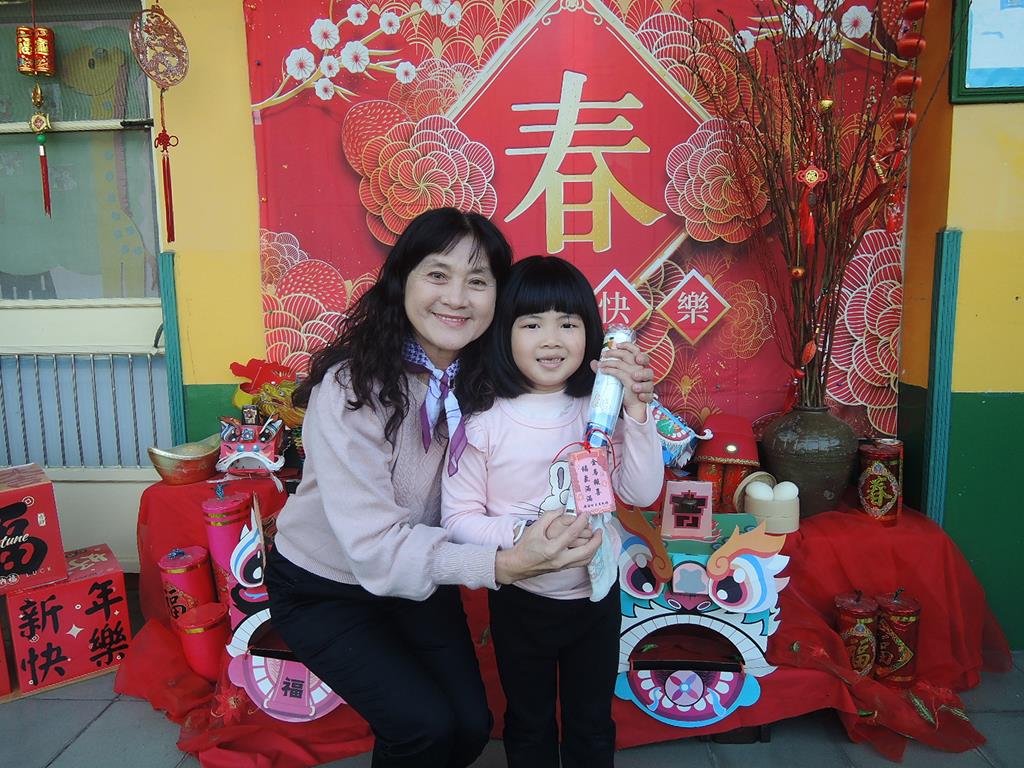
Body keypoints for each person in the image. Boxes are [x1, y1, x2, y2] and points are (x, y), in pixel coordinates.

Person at [264, 209, 655, 768]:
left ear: (498, 298)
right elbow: (375, 548)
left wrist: (627, 399)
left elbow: (612, 458)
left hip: (420, 578)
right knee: (421, 728)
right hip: (327, 585)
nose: (456, 297)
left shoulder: (487, 376)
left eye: (477, 280)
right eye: (437, 274)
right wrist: (507, 563)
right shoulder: (351, 389)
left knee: (471, 726)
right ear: (402, 279)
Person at [441, 255, 664, 768]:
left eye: (568, 323)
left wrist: (636, 411)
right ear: (502, 332)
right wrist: (526, 533)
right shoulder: (482, 422)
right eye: (531, 324)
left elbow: (641, 491)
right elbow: (457, 520)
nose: (551, 340)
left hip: (597, 596)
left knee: (592, 722)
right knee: (529, 721)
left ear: (591, 335)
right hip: (521, 601)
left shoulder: (601, 408)